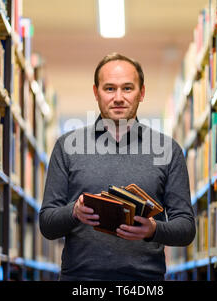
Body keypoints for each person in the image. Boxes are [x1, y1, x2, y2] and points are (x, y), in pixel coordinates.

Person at [39, 53, 195, 281]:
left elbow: (186, 227)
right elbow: (47, 224)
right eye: (110, 88)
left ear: (141, 93)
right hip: (80, 280)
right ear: (96, 92)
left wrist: (154, 230)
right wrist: (74, 211)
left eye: (128, 88)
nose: (119, 97)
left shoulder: (168, 149)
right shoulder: (67, 147)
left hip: (145, 281)